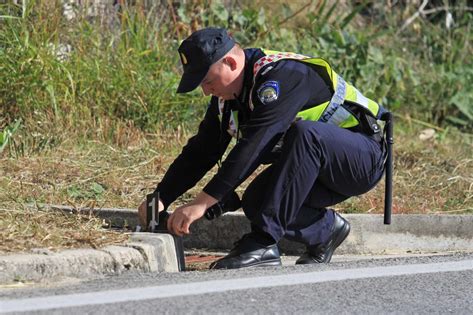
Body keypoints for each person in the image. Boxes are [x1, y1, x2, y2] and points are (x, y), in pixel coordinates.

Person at [138, 27, 388, 269]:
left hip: (362, 158)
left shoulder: (282, 75)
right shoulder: (227, 101)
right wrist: (161, 198)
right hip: (315, 167)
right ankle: (326, 230)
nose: (205, 91)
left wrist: (203, 202)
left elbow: (256, 143)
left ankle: (262, 243)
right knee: (257, 202)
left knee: (307, 134)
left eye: (207, 80)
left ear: (230, 63)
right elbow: (201, 152)